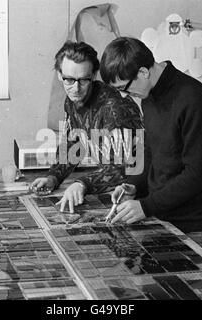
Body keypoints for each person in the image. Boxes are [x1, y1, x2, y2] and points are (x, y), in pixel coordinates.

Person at [99, 37, 202, 254]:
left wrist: (146, 206)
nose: (123, 95)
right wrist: (134, 185)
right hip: (164, 219)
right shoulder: (149, 97)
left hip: (195, 229)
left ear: (143, 72)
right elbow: (152, 152)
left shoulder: (195, 100)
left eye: (124, 88)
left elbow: (196, 175)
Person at [31, 41, 143, 213]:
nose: (76, 88)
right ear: (60, 75)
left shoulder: (115, 107)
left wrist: (82, 183)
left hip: (140, 194)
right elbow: (73, 145)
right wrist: (54, 177)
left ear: (94, 75)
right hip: (114, 192)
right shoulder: (71, 100)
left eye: (84, 80)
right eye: (69, 79)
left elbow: (124, 167)